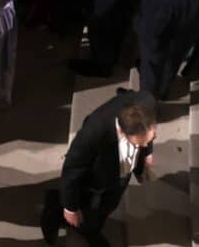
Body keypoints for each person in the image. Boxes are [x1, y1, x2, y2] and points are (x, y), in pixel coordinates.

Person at [41, 90, 158, 246]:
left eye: (148, 140)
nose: (143, 146)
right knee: (84, 204)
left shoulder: (147, 101)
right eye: (138, 144)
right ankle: (54, 207)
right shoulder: (93, 132)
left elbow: (146, 136)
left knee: (109, 204)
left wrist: (147, 152)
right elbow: (72, 170)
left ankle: (92, 228)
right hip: (96, 174)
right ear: (121, 132)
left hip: (119, 174)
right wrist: (70, 208)